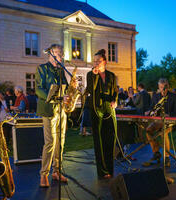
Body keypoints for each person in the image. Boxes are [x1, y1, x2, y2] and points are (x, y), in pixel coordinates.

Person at [36, 44, 76, 187]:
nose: (61, 56)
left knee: (61, 141)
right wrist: (56, 97)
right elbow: (38, 90)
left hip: (61, 111)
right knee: (50, 143)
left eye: (61, 54)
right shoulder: (42, 68)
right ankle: (44, 174)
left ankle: (56, 171)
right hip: (48, 110)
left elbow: (65, 87)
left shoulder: (60, 70)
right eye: (58, 53)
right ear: (51, 54)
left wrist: (70, 91)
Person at [85, 49, 118, 179]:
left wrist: (115, 100)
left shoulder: (111, 75)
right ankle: (103, 171)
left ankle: (110, 169)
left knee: (110, 139)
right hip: (96, 108)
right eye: (95, 61)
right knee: (99, 141)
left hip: (109, 109)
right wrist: (94, 75)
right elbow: (90, 90)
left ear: (104, 61)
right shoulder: (90, 74)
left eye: (98, 61)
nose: (96, 63)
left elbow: (115, 91)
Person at [143, 78, 176, 167]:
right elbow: (152, 107)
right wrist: (149, 111)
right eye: (161, 87)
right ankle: (156, 153)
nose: (163, 89)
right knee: (148, 130)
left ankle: (167, 157)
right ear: (158, 87)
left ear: (168, 87)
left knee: (163, 133)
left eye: (165, 87)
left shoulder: (174, 96)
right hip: (158, 121)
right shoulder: (156, 96)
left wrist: (169, 115)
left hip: (170, 122)